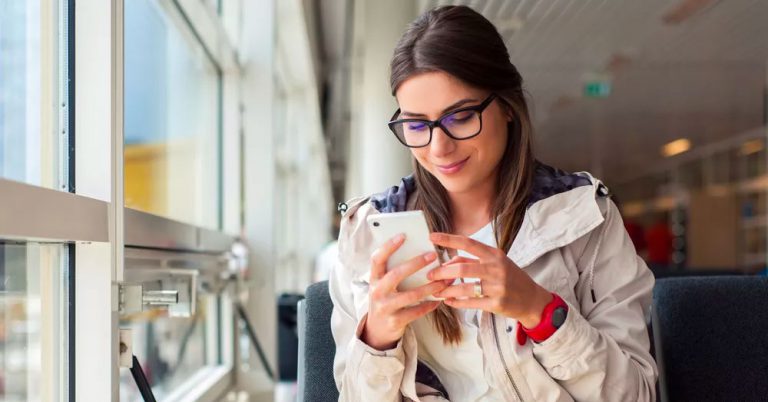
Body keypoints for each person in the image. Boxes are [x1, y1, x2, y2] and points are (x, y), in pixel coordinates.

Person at [329, 6, 657, 401]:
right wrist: (377, 341)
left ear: (505, 105)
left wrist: (541, 312)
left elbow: (637, 395)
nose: (439, 147)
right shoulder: (370, 232)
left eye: (461, 117)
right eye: (417, 125)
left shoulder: (586, 219)